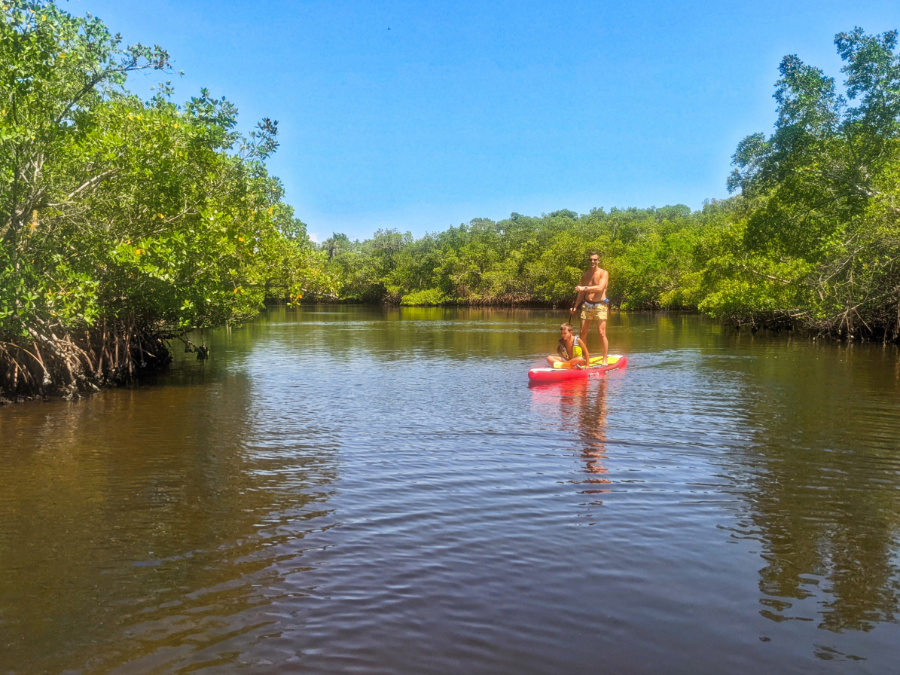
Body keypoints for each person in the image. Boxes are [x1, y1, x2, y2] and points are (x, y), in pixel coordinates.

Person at [570, 251, 609, 365]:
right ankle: (583, 357)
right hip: (587, 305)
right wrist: (575, 306)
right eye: (591, 259)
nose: (592, 261)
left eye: (595, 259)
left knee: (601, 333)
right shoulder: (585, 275)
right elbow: (581, 294)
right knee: (583, 333)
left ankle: (605, 358)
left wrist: (584, 288)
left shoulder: (603, 273)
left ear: (598, 261)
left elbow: (600, 288)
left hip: (600, 305)